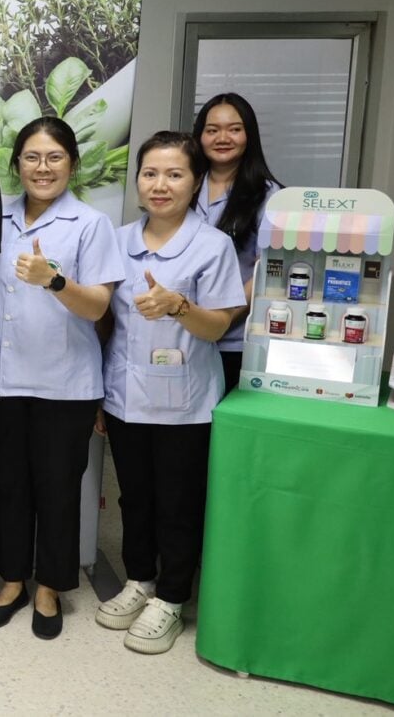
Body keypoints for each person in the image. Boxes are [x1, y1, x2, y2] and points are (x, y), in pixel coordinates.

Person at [94, 131, 246, 655]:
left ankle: (172, 597)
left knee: (179, 503)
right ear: (138, 180)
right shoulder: (117, 241)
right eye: (151, 173)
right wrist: (98, 394)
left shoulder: (212, 246)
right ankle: (139, 580)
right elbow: (105, 323)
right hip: (125, 395)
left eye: (175, 174)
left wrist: (179, 305)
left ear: (195, 182)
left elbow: (218, 326)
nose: (161, 185)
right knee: (134, 496)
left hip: (186, 403)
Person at [0, 117, 123, 639]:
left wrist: (54, 280)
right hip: (3, 380)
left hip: (65, 384)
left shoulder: (91, 224)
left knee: (57, 490)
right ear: (17, 164)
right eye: (32, 157)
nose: (43, 167)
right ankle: (13, 580)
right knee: (7, 486)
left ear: (72, 165)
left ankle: (49, 588)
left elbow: (98, 305)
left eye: (54, 157)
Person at [191, 93, 283, 390]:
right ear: (200, 136)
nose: (223, 138)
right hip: (179, 335)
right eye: (212, 130)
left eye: (234, 129)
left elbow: (265, 270)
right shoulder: (183, 186)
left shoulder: (268, 196)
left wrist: (219, 320)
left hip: (232, 341)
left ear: (249, 135)